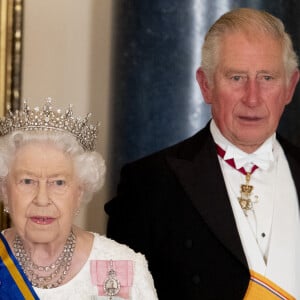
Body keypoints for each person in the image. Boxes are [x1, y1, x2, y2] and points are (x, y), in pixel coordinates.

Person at [105, 7, 300, 299]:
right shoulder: (148, 184)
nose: (252, 97)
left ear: (290, 87)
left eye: (267, 78)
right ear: (205, 85)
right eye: (236, 78)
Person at [0, 99, 158, 300]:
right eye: (27, 181)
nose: (42, 199)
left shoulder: (117, 264)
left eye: (58, 183)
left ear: (79, 192)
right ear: (5, 190)